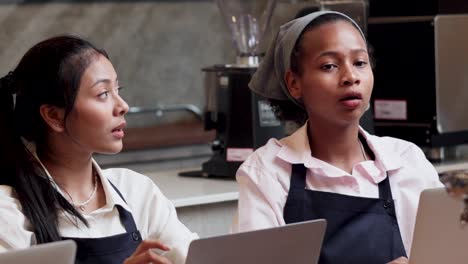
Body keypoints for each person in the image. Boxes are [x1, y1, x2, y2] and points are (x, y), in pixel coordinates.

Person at [233, 11, 443, 264]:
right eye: (329, 66)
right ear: (294, 83)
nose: (350, 77)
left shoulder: (407, 161)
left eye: (360, 63)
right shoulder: (267, 173)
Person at [0, 35, 197, 264]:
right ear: (54, 116)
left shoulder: (137, 192)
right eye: (103, 94)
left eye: (118, 89)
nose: (123, 106)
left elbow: (197, 258)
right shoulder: (9, 210)